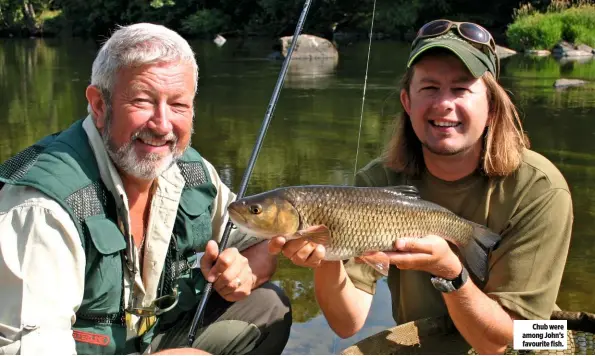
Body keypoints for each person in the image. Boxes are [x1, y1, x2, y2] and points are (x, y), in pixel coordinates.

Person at [269, 19, 573, 354]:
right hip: (424, 341)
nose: (444, 103)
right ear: (407, 101)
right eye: (429, 88)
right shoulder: (379, 181)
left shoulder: (542, 188)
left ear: (490, 107)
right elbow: (347, 323)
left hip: (524, 339)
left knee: (544, 340)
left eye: (461, 89)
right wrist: (326, 255)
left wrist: (452, 275)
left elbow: (506, 341)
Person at [0, 23, 291, 355]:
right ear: (99, 105)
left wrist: (248, 269)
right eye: (142, 100)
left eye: (179, 105)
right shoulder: (40, 208)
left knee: (266, 307)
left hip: (146, 339)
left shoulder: (190, 171)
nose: (163, 125)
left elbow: (263, 239)